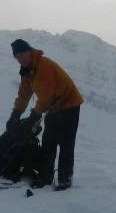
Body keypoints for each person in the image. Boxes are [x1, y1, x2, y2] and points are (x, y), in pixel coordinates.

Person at [8, 38, 84, 190]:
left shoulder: (43, 65)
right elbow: (23, 95)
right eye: (17, 57)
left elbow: (46, 96)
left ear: (29, 51)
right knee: (48, 142)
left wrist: (33, 117)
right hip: (53, 108)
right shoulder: (27, 72)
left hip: (69, 104)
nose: (20, 59)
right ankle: (45, 178)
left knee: (66, 144)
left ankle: (64, 181)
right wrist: (15, 114)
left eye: (22, 55)